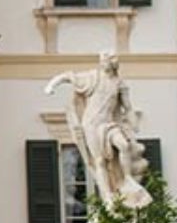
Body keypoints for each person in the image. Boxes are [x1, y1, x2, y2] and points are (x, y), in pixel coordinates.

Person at [44, 51, 151, 214]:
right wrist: (52, 85)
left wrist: (134, 125)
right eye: (103, 61)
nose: (104, 63)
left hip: (109, 123)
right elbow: (68, 76)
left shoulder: (119, 83)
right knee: (99, 161)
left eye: (106, 61)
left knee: (123, 145)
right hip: (92, 124)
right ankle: (107, 197)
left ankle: (127, 178)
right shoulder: (93, 78)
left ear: (112, 64)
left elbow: (127, 107)